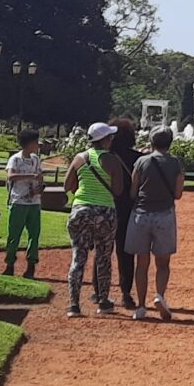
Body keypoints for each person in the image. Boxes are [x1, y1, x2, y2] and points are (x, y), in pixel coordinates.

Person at [64, 121, 130, 317]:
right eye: (110, 137)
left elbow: (67, 184)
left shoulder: (79, 158)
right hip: (105, 211)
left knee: (78, 257)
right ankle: (103, 301)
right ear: (105, 140)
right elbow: (118, 190)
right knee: (103, 257)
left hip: (81, 209)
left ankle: (74, 304)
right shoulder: (112, 161)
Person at [126, 127, 185, 320]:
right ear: (170, 142)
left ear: (151, 142)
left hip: (141, 214)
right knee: (163, 263)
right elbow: (177, 194)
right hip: (164, 214)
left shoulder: (141, 161)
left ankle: (141, 307)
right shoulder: (175, 163)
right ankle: (159, 295)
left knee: (141, 263)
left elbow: (133, 191)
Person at [106, 118, 142, 309]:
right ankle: (126, 293)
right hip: (128, 209)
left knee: (103, 251)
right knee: (126, 253)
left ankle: (99, 291)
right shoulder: (137, 158)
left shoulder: (104, 156)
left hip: (105, 206)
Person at [3, 131, 45, 278]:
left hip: (34, 202)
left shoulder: (36, 159)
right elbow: (10, 176)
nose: (38, 145)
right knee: (14, 235)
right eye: (35, 142)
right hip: (18, 201)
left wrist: (38, 189)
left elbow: (41, 179)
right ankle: (10, 264)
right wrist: (31, 176)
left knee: (34, 234)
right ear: (29, 143)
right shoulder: (15, 159)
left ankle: (31, 265)